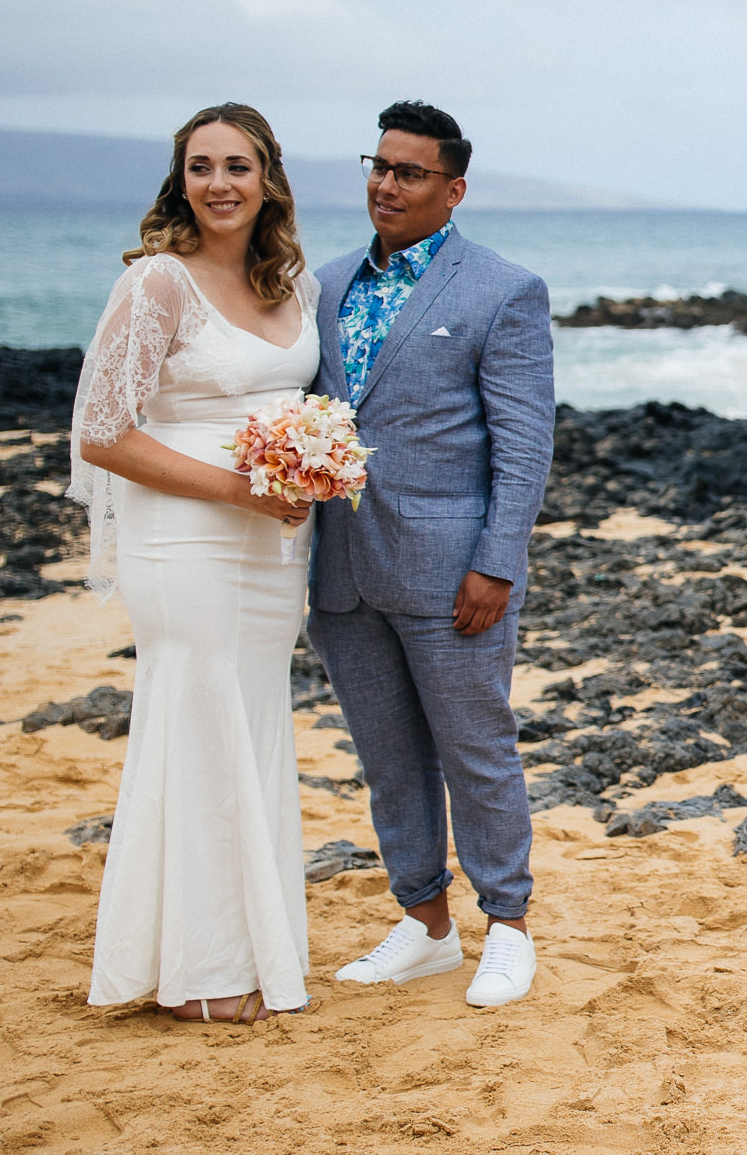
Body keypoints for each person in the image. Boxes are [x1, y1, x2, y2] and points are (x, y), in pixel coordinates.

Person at [74, 103, 321, 1024]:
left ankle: (253, 944)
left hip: (271, 547)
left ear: (269, 179)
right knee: (197, 722)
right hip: (185, 540)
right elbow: (102, 432)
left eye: (238, 166)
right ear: (181, 179)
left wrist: (308, 467)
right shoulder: (157, 286)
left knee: (248, 727)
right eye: (201, 165)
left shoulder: (284, 284)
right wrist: (238, 490)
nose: (219, 183)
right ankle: (197, 970)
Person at [310, 101, 556, 1008]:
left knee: (476, 749)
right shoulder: (324, 284)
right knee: (387, 757)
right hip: (342, 570)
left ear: (452, 190)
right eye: (378, 165)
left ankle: (509, 927)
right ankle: (425, 924)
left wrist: (497, 563)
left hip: (456, 573)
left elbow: (524, 444)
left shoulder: (502, 289)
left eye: (409, 172)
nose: (386, 183)